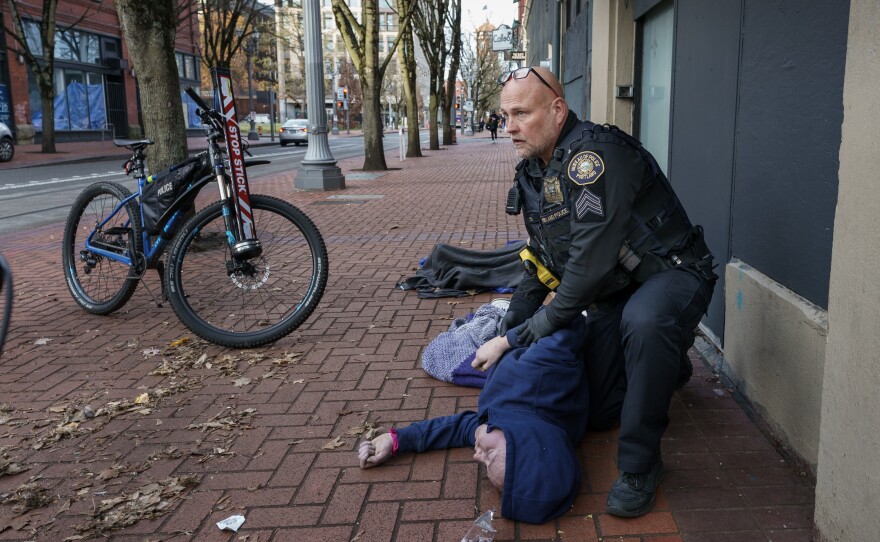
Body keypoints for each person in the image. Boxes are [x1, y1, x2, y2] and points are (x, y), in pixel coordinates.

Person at [496, 66, 717, 518]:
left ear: (557, 110)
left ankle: (641, 466)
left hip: (672, 275)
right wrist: (507, 329)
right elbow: (541, 260)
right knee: (598, 412)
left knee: (647, 321)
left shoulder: (594, 158)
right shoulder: (536, 171)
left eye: (521, 113)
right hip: (620, 289)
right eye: (504, 116)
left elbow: (585, 269)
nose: (510, 127)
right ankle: (669, 362)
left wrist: (518, 338)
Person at [357, 317, 591, 524]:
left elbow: (460, 428)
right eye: (489, 456)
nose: (476, 455)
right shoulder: (543, 368)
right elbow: (569, 322)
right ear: (519, 436)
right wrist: (504, 341)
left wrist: (396, 439)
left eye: (483, 462)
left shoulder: (519, 432)